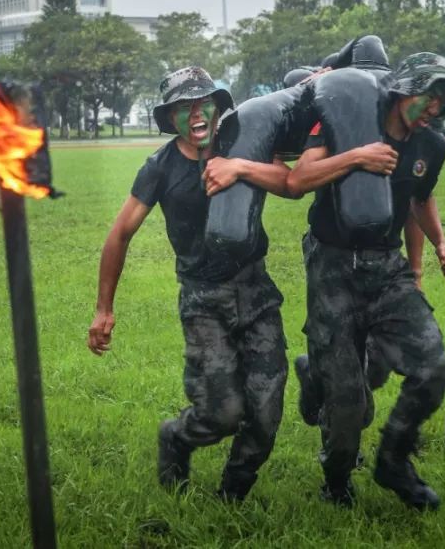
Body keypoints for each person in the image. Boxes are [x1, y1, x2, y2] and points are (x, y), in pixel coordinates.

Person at [87, 66, 292, 502]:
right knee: (222, 412)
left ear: (219, 106)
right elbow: (120, 233)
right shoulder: (159, 168)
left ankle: (233, 494)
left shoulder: (241, 143)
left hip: (257, 291)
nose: (197, 114)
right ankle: (176, 439)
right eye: (184, 107)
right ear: (171, 117)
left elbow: (290, 182)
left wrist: (240, 168)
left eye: (204, 104)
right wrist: (104, 309)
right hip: (204, 300)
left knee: (267, 410)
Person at [284, 52, 445, 510]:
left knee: (433, 368)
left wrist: (440, 243)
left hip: (387, 267)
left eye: (441, 102)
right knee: (347, 401)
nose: (433, 109)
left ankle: (393, 461)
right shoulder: (350, 119)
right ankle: (337, 480)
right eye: (428, 96)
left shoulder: (433, 147)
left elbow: (418, 200)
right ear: (403, 87)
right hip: (333, 264)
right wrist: (356, 157)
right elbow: (300, 178)